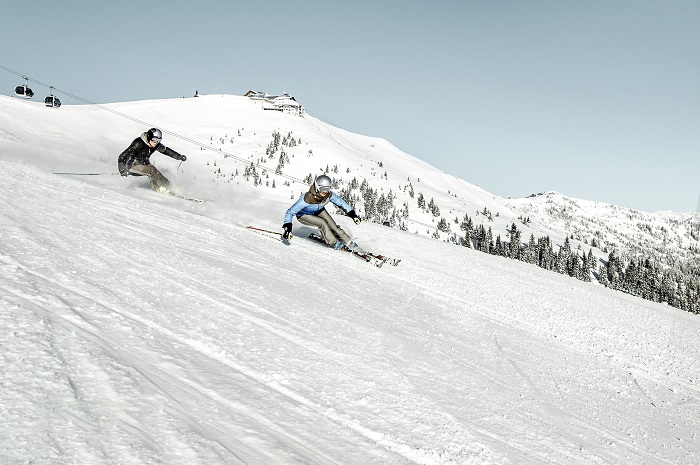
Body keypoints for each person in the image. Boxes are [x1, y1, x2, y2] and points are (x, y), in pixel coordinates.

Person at [283, 175, 362, 249]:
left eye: (327, 189)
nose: (324, 192)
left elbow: (341, 203)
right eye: (322, 189)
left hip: (318, 211)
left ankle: (348, 242)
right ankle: (334, 243)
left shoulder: (329, 195)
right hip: (304, 215)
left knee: (333, 226)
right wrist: (288, 227)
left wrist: (353, 214)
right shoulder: (307, 198)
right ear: (317, 188)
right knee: (322, 223)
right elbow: (290, 212)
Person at [117, 128, 187, 192]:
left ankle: (169, 186)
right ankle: (157, 189)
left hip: (143, 164)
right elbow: (123, 156)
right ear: (148, 137)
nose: (156, 142)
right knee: (152, 171)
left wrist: (179, 157)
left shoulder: (155, 144)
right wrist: (123, 169)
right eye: (154, 140)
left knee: (157, 173)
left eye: (158, 141)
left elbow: (166, 151)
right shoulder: (139, 143)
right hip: (132, 165)